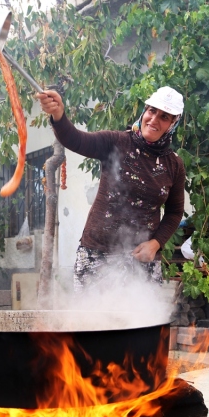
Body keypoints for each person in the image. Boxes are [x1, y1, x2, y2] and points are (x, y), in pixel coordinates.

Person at [36, 86, 186, 292]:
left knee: (142, 314)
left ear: (173, 124)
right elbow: (76, 139)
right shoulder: (116, 142)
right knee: (92, 314)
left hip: (141, 261)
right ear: (144, 111)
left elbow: (175, 212)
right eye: (152, 111)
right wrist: (58, 115)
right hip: (96, 255)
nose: (154, 120)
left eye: (164, 117)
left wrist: (156, 243)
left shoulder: (174, 165)